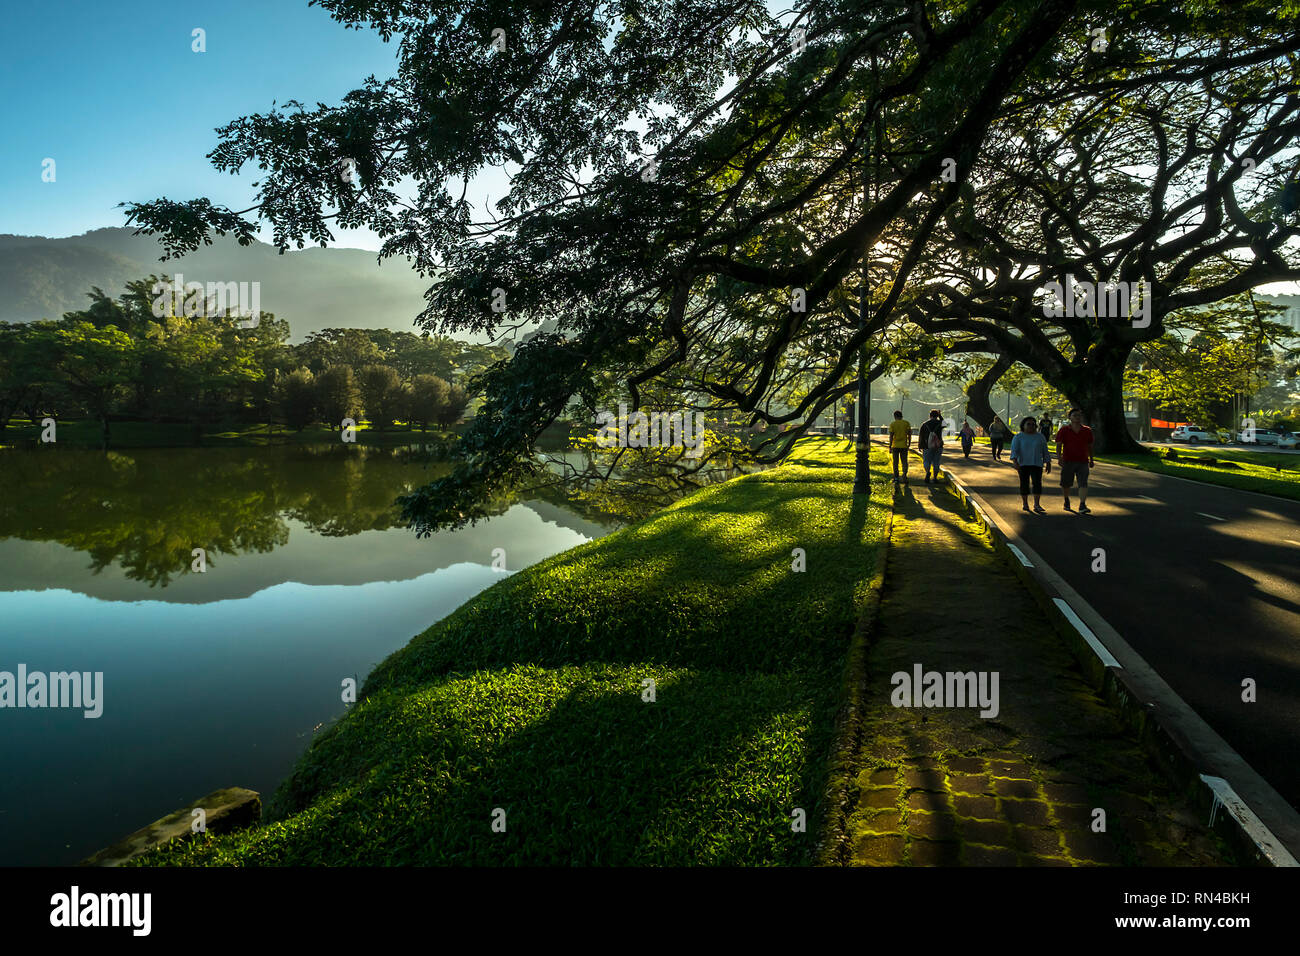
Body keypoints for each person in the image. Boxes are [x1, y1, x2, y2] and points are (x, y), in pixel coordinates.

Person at [1055, 407, 1095, 513]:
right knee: (1066, 483)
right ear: (1070, 417)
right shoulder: (1064, 430)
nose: (1077, 417)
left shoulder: (1087, 430)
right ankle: (1066, 500)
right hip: (1068, 460)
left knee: (1083, 483)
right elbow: (1059, 445)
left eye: (1079, 415)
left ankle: (1082, 504)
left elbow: (1090, 446)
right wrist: (1059, 458)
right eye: (1075, 415)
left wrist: (1091, 459)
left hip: (1083, 461)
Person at [1010, 416, 1051, 513]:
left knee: (1037, 484)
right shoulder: (1018, 437)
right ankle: (1025, 503)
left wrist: (1048, 462)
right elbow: (1014, 451)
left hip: (1037, 464)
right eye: (1028, 424)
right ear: (1023, 425)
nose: (1031, 426)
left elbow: (1045, 451)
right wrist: (1015, 462)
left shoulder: (1040, 437)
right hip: (1023, 464)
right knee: (1024, 484)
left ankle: (1037, 504)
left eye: (1033, 424)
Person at [918, 409, 945, 483]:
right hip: (938, 445)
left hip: (927, 446)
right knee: (936, 462)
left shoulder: (925, 424)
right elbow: (945, 423)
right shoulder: (940, 423)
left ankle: (927, 472)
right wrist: (940, 415)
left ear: (930, 416)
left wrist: (920, 445)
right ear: (937, 416)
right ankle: (935, 478)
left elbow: (921, 436)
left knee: (926, 461)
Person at [887, 409, 912, 485]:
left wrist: (890, 446)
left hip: (895, 446)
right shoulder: (906, 423)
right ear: (901, 416)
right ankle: (904, 475)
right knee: (904, 461)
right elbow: (909, 434)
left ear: (895, 416)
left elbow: (891, 436)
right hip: (904, 446)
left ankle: (896, 477)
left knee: (895, 462)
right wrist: (909, 444)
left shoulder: (893, 424)